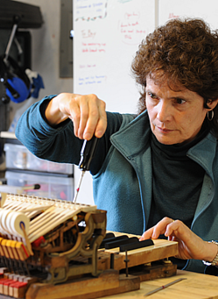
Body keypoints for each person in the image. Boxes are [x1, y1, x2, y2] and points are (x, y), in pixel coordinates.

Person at [15, 18, 218, 274]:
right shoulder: (113, 134)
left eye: (179, 101)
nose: (161, 114)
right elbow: (31, 138)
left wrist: (210, 251)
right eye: (153, 96)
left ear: (210, 101)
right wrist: (59, 105)